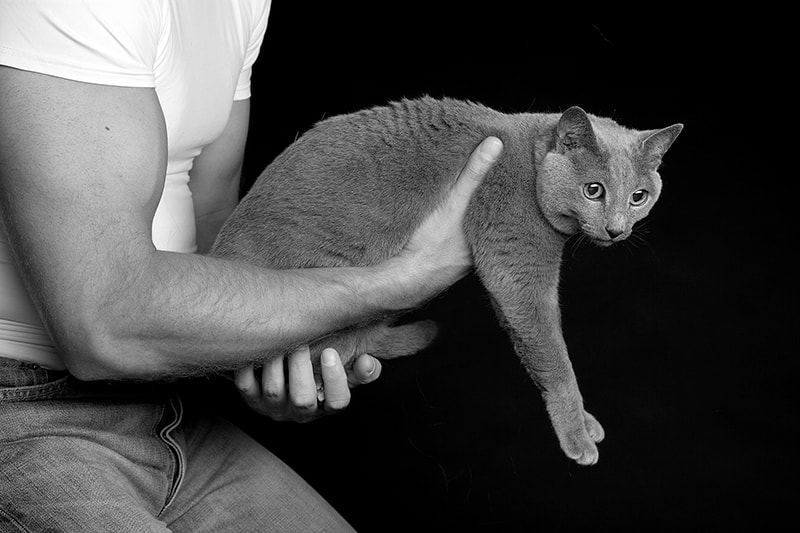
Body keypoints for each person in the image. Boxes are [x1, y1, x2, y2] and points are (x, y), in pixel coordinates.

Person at [0, 1, 503, 531]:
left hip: (170, 407)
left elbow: (224, 238)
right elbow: (104, 322)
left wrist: (269, 350)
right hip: (24, 414)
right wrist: (397, 282)